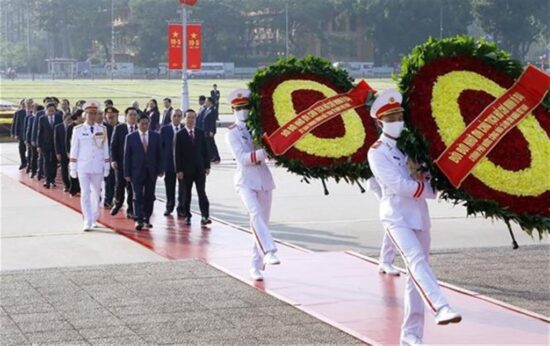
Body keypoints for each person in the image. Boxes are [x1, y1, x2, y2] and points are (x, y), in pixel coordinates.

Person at [367, 89, 461, 346]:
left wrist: (440, 182)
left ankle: (411, 335)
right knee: (416, 260)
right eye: (391, 117)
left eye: (399, 115)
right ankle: (441, 307)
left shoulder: (413, 145)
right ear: (379, 122)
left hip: (419, 215)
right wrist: (429, 189)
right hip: (396, 216)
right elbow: (398, 185)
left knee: (415, 275)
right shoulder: (377, 152)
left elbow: (427, 175)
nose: (397, 121)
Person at [226, 89, 280, 281]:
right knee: (255, 214)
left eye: (246, 107)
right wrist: (265, 153)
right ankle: (270, 250)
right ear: (233, 109)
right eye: (239, 108)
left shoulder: (259, 127)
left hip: (264, 180)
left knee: (261, 223)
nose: (243, 111)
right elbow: (242, 158)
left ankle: (255, 266)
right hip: (245, 181)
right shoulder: (232, 132)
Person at [69, 100, 110, 231]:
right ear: (84, 115)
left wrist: (107, 165)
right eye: (90, 113)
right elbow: (74, 149)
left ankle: (94, 217)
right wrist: (73, 167)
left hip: (97, 166)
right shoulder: (78, 130)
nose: (93, 116)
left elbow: (105, 148)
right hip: (83, 166)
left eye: (95, 113)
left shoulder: (102, 129)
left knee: (96, 194)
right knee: (85, 193)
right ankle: (87, 219)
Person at [123, 114, 163, 230]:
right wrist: (127, 173)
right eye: (142, 124)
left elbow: (159, 154)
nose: (145, 126)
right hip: (136, 172)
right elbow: (127, 157)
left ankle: (147, 218)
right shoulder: (130, 137)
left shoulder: (156, 136)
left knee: (149, 196)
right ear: (138, 124)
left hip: (151, 172)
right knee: (137, 196)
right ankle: (138, 219)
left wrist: (160, 169)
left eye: (147, 124)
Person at [174, 109, 211, 226]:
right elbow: (177, 154)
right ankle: (187, 215)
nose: (191, 120)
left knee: (202, 193)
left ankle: (205, 216)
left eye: (193, 118)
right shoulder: (179, 135)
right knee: (186, 194)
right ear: (185, 119)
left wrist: (207, 166)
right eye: (188, 117)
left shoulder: (200, 133)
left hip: (199, 169)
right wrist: (178, 170)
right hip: (185, 171)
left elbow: (205, 151)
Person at [366, 177, 400, 276]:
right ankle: (385, 261)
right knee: (393, 219)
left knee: (394, 219)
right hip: (383, 184)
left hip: (391, 184)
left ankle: (385, 261)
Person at [110, 107, 138, 218]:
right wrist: (114, 160)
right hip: (121, 163)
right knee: (119, 185)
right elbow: (113, 145)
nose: (133, 117)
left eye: (135, 115)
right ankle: (118, 203)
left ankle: (130, 209)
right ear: (126, 116)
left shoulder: (139, 129)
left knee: (131, 188)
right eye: (131, 115)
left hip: (134, 164)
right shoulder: (119, 128)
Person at [160, 109, 184, 217]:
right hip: (169, 164)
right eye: (175, 116)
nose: (177, 118)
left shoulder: (184, 129)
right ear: (171, 117)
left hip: (182, 165)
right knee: (170, 187)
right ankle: (169, 206)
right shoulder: (165, 130)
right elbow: (161, 147)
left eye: (179, 116)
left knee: (183, 188)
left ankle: (181, 208)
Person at [37, 102, 62, 188]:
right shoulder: (42, 118)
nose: (51, 112)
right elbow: (40, 132)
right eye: (49, 110)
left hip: (55, 144)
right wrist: (39, 145)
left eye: (53, 110)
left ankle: (52, 179)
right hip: (45, 144)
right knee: (46, 162)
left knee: (54, 162)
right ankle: (47, 180)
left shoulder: (59, 117)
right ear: (46, 110)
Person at [103, 106, 119, 208]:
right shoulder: (103, 128)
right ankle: (108, 199)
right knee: (109, 181)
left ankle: (117, 199)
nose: (111, 119)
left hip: (119, 159)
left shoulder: (121, 127)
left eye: (112, 117)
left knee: (119, 182)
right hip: (107, 159)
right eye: (109, 117)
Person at [66, 109, 84, 196]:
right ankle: (73, 188)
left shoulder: (84, 126)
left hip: (83, 153)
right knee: (73, 170)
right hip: (74, 152)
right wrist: (69, 152)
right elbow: (67, 140)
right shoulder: (71, 127)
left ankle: (80, 187)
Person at [54, 113, 73, 192]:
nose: (69, 121)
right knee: (64, 169)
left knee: (73, 169)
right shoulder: (58, 127)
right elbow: (56, 141)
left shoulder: (73, 127)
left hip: (72, 152)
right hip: (62, 151)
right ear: (64, 119)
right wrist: (57, 152)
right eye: (68, 119)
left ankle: (73, 185)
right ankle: (66, 184)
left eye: (70, 119)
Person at [11, 98, 30, 170]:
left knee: (30, 151)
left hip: (30, 134)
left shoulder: (33, 111)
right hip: (22, 134)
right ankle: (23, 162)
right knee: (22, 149)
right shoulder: (19, 112)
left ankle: (29, 162)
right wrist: (14, 133)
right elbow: (15, 123)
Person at [203, 97, 220, 163]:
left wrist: (211, 131)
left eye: (206, 101)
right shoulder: (207, 109)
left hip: (210, 131)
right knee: (209, 144)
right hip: (206, 130)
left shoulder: (212, 110)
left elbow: (212, 122)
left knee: (211, 144)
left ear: (210, 102)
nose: (205, 103)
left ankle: (216, 157)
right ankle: (212, 156)